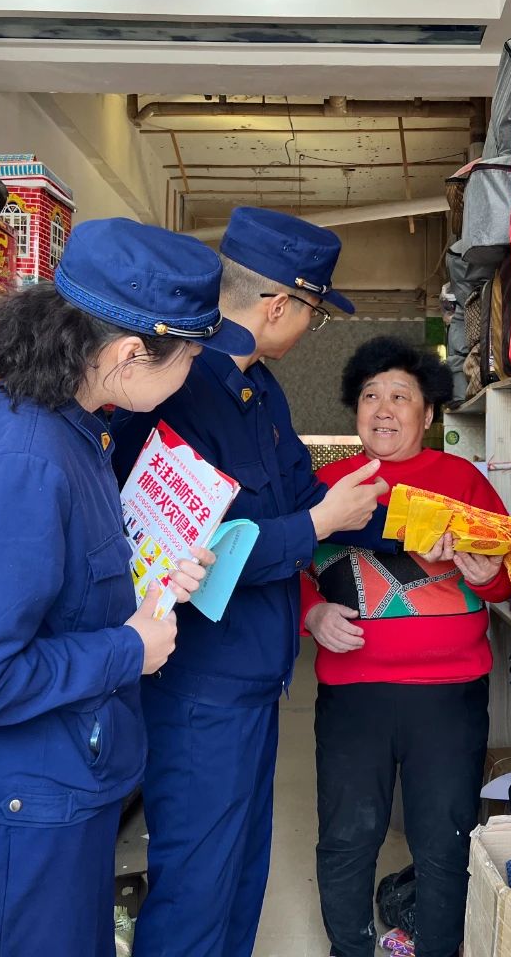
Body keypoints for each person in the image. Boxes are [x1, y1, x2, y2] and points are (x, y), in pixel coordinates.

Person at [0, 218, 255, 957]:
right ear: (129, 355)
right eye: (192, 355)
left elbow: (58, 593)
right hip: (19, 824)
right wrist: (128, 650)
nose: (194, 370)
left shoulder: (74, 428)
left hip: (54, 796)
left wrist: (154, 583)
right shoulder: (27, 463)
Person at [109, 207, 388, 957]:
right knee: (195, 885)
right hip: (199, 686)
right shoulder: (179, 388)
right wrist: (320, 522)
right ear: (277, 306)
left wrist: (418, 526)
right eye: (313, 316)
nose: (309, 329)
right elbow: (198, 553)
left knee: (239, 876)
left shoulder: (259, 389)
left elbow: (299, 497)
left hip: (254, 683)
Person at [302, 336, 511, 957]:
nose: (384, 409)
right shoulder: (327, 486)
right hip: (353, 693)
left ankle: (439, 947)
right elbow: (287, 570)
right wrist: (313, 613)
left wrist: (488, 577)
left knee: (444, 838)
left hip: (449, 695)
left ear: (429, 413)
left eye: (401, 396)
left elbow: (507, 578)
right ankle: (350, 949)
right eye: (371, 396)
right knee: (347, 835)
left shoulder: (462, 480)